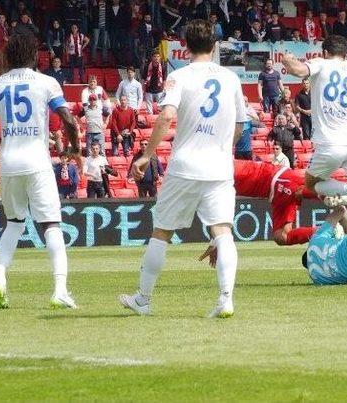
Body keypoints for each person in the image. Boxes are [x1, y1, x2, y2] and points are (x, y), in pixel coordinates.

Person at [119, 19, 247, 318]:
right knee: (223, 232)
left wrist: (146, 155)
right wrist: (222, 149)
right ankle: (225, 299)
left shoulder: (180, 77)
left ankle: (144, 299)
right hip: (218, 168)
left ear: (184, 46)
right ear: (215, 45)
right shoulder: (231, 79)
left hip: (185, 166)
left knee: (161, 232)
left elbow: (165, 117)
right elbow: (241, 124)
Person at [0, 32, 80, 309]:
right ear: (33, 55)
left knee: (13, 223)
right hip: (37, 162)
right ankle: (60, 289)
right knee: (51, 224)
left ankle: (0, 279)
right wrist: (73, 148)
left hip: (9, 163)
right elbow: (69, 120)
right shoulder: (46, 82)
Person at [282, 35, 347, 207]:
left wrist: (286, 59)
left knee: (311, 184)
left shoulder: (321, 63)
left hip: (329, 144)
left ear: (325, 52)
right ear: (346, 55)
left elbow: (298, 71)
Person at [228, 159, 318, 245]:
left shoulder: (225, 168)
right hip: (275, 193)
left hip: (277, 177)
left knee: (299, 192)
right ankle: (327, 231)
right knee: (282, 237)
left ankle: (329, 193)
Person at [235, 96, 260, 160]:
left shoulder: (249, 121)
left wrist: (248, 114)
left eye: (245, 101)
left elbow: (257, 120)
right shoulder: (236, 119)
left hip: (247, 151)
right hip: (238, 151)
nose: (244, 103)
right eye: (242, 101)